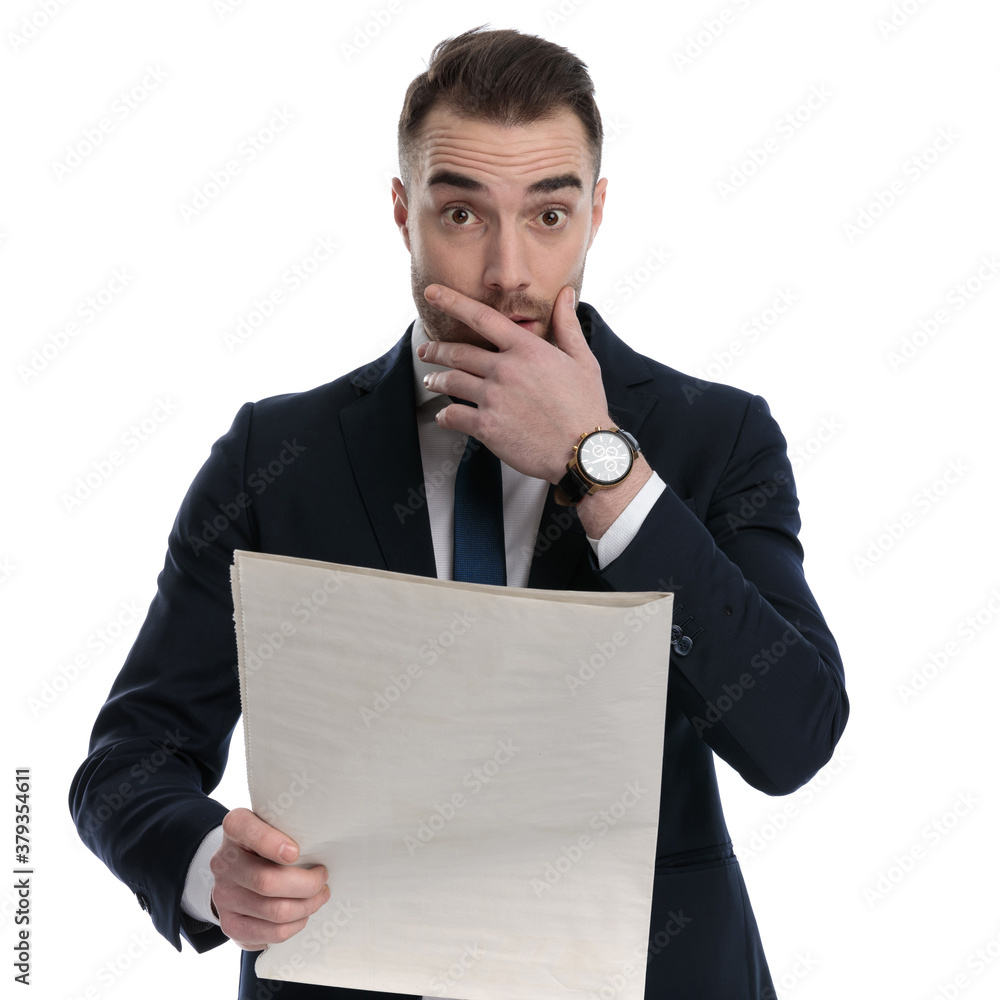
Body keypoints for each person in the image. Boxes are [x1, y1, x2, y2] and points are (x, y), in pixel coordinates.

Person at [69, 25, 848, 1000]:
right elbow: (127, 761)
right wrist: (205, 871)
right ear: (402, 212)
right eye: (463, 214)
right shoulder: (274, 459)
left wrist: (594, 465)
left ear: (598, 213)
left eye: (550, 214)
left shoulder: (713, 439)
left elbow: (792, 735)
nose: (511, 272)